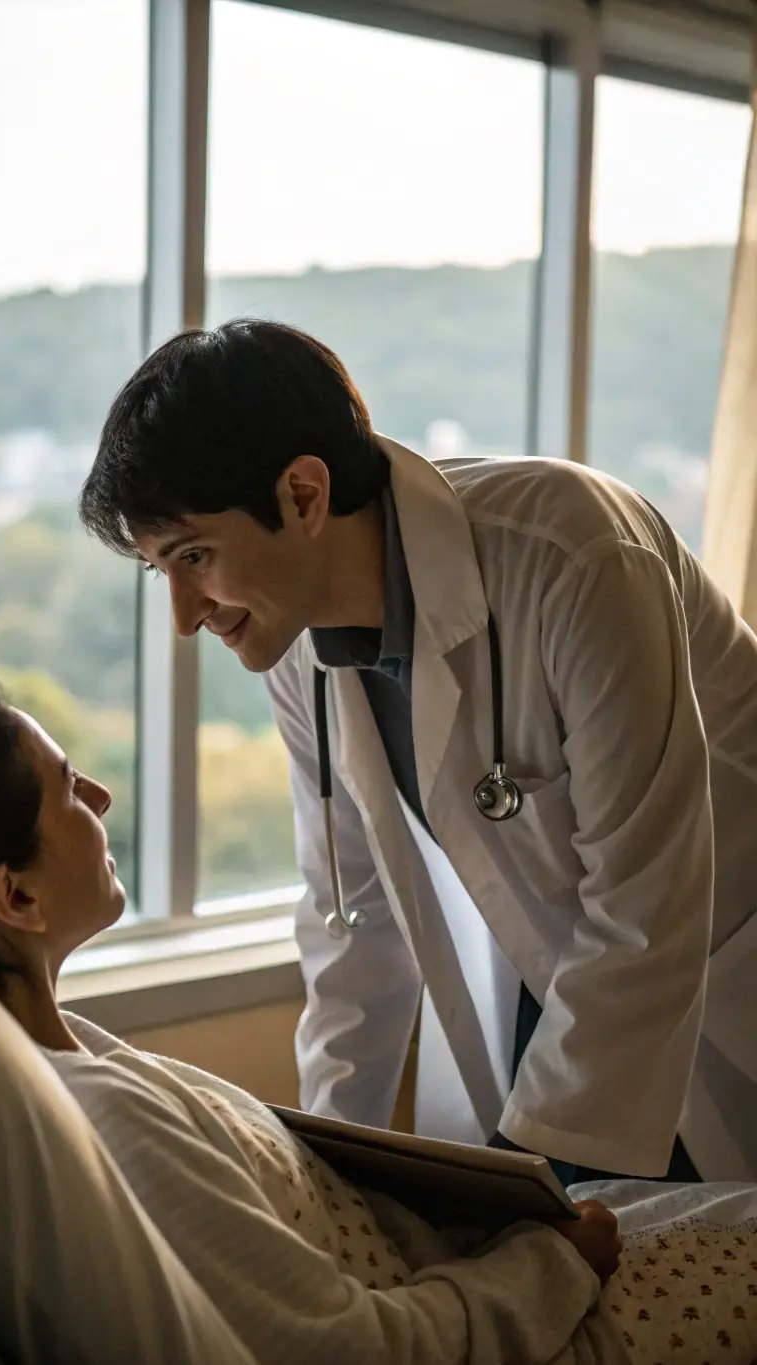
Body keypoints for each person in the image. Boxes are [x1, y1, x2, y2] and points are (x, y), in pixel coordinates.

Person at [0, 683, 757, 1365]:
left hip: (489, 1268)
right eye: (68, 788)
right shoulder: (108, 1126)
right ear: (14, 898)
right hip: (564, 1326)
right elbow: (345, 1354)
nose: (101, 797)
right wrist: (549, 1265)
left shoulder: (75, 1058)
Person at [78, 318, 757, 1189]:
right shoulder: (297, 651)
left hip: (721, 977)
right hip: (575, 994)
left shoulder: (576, 557)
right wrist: (322, 1179)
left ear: (304, 494)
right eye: (159, 570)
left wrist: (531, 1186)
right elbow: (350, 922)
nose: (182, 614)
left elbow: (647, 901)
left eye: (195, 556)